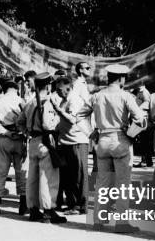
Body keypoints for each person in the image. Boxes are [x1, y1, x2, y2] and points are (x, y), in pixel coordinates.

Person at [91, 64, 144, 232]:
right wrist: (133, 132)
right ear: (122, 79)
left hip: (103, 139)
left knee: (102, 182)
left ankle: (98, 221)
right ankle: (122, 223)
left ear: (108, 77)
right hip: (121, 139)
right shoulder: (125, 96)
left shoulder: (97, 96)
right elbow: (140, 119)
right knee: (123, 184)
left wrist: (91, 132)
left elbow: (80, 115)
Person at [17, 72, 67, 224]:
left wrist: (28, 132)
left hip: (33, 141)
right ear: (48, 85)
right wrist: (59, 118)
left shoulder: (30, 103)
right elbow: (47, 124)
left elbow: (19, 122)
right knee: (48, 178)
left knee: (32, 178)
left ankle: (33, 209)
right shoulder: (48, 102)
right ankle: (48, 210)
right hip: (46, 141)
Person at [51, 76, 92, 215]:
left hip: (77, 141)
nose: (57, 92)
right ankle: (72, 204)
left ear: (67, 87)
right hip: (66, 142)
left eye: (59, 89)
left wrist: (59, 111)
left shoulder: (74, 99)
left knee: (79, 175)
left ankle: (80, 206)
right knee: (69, 176)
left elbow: (73, 120)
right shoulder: (64, 100)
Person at [0, 78, 27, 216]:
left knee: (0, 171)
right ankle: (23, 204)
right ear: (16, 89)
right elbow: (27, 121)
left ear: (4, 89)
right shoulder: (22, 101)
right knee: (21, 171)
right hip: (20, 138)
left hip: (3, 137)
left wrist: (6, 132)